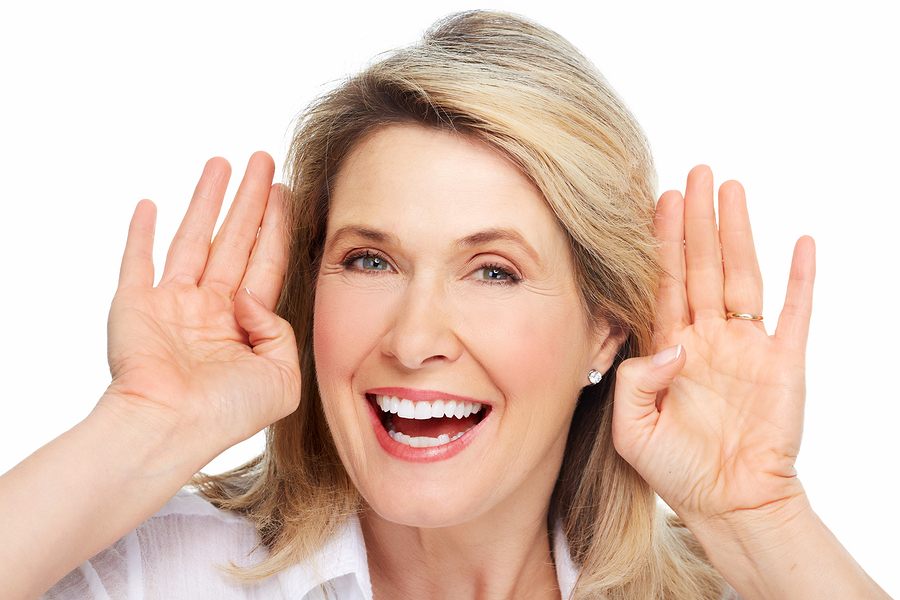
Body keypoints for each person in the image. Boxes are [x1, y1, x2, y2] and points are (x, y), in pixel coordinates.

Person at [0, 10, 891, 600]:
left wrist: (758, 520)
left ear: (607, 329)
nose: (416, 338)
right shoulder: (157, 575)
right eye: (371, 259)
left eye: (493, 271)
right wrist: (143, 425)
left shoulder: (751, 583)